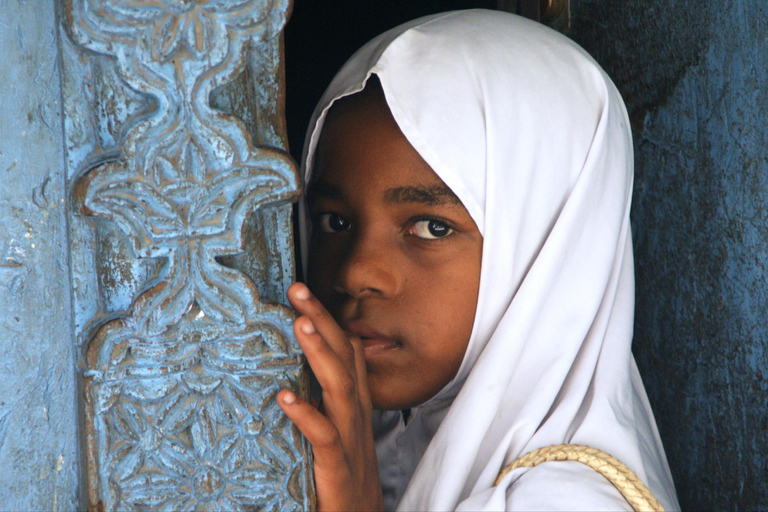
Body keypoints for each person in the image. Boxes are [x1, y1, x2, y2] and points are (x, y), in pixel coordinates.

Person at [277, 9, 680, 511]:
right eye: (334, 222)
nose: (357, 273)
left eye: (431, 227)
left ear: (545, 249)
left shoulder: (569, 502)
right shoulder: (371, 438)